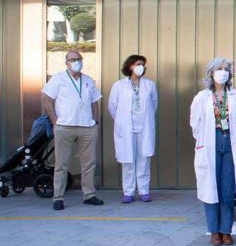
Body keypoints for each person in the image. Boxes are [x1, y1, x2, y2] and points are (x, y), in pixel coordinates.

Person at [190, 58, 236, 246]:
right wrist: (203, 141)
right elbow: (195, 124)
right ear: (211, 73)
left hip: (230, 143)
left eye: (226, 69)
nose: (222, 72)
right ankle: (214, 231)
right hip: (210, 143)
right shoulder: (201, 97)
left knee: (227, 189)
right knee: (210, 188)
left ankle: (226, 230)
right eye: (219, 69)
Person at [42, 50, 103, 211]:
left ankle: (89, 195)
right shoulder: (58, 79)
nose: (76, 62)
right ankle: (58, 197)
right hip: (65, 127)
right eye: (72, 59)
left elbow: (95, 102)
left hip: (87, 127)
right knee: (61, 164)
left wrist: (95, 121)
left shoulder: (89, 80)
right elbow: (47, 101)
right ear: (66, 62)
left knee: (89, 163)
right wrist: (55, 121)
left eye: (79, 59)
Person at [108, 54, 158, 204]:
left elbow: (154, 104)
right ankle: (128, 192)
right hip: (126, 129)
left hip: (144, 127)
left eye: (142, 64)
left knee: (144, 159)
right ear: (130, 66)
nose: (140, 67)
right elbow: (112, 106)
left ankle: (144, 191)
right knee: (128, 160)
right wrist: (121, 122)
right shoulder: (118, 85)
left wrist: (145, 118)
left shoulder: (150, 85)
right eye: (138, 64)